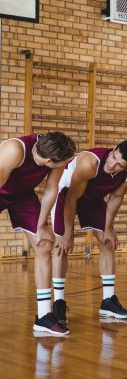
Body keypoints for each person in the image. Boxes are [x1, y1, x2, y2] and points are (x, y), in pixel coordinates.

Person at [52, 140, 127, 323]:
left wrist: (108, 227)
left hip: (92, 199)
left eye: (119, 165)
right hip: (65, 195)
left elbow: (116, 196)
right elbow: (71, 198)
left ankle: (108, 301)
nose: (112, 165)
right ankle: (58, 303)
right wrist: (68, 233)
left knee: (107, 241)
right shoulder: (89, 162)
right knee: (61, 246)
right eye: (113, 157)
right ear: (114, 148)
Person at [0, 132, 76, 335]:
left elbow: (52, 189)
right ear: (49, 161)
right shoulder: (14, 150)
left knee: (44, 244)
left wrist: (42, 225)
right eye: (62, 163)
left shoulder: (55, 154)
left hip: (22, 196)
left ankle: (43, 316)